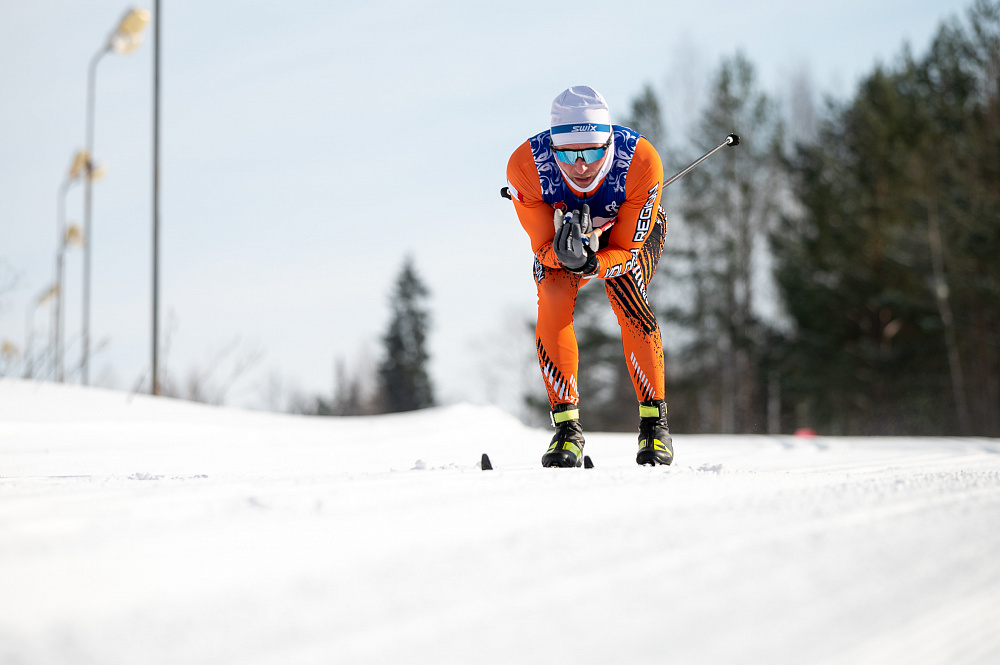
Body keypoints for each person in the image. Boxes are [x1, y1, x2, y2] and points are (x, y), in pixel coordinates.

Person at [505, 85, 673, 468]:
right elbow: (541, 247)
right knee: (552, 295)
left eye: (593, 152)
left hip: (625, 237)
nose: (581, 166)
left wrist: (593, 264)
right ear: (552, 147)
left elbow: (627, 251)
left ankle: (654, 425)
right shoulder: (526, 167)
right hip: (564, 243)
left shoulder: (641, 162)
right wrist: (565, 255)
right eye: (568, 154)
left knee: (627, 293)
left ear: (609, 143)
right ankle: (567, 429)